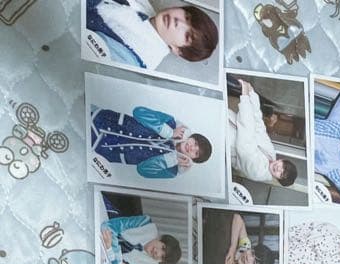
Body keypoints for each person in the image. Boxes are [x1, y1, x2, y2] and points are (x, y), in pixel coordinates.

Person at [85, 0, 218, 71]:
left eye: (187, 35)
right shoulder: (147, 8)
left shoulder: (136, 60)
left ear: (178, 50)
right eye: (187, 17)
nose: (179, 22)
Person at [90, 104, 212, 179]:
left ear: (192, 159)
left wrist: (171, 160)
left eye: (196, 153)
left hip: (99, 150)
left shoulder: (172, 170)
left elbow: (142, 170)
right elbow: (138, 111)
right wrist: (169, 132)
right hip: (98, 118)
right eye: (195, 143)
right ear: (191, 136)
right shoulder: (172, 123)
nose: (192, 148)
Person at [227, 77, 298, 188]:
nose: (278, 169)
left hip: (223, 138)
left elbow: (244, 144)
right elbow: (259, 127)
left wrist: (245, 97)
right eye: (283, 166)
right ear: (282, 160)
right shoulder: (271, 154)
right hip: (229, 120)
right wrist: (252, 95)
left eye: (281, 174)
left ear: (277, 179)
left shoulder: (258, 173)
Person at [100, 213, 181, 264]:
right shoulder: (145, 223)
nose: (158, 253)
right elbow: (108, 227)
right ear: (160, 238)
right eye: (163, 247)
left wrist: (110, 249)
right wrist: (119, 261)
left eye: (162, 257)